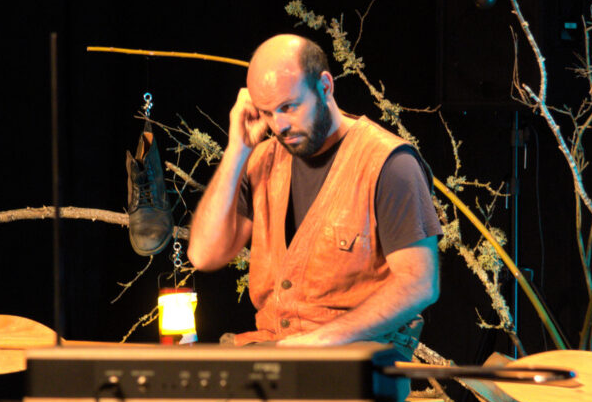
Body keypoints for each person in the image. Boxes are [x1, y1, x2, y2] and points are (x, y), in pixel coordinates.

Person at [188, 34, 441, 348]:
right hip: (273, 350)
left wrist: (319, 341)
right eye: (266, 112)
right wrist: (236, 150)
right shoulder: (261, 160)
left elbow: (419, 284)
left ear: (325, 86)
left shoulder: (389, 164)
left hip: (357, 356)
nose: (278, 125)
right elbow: (203, 254)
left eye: (289, 107)